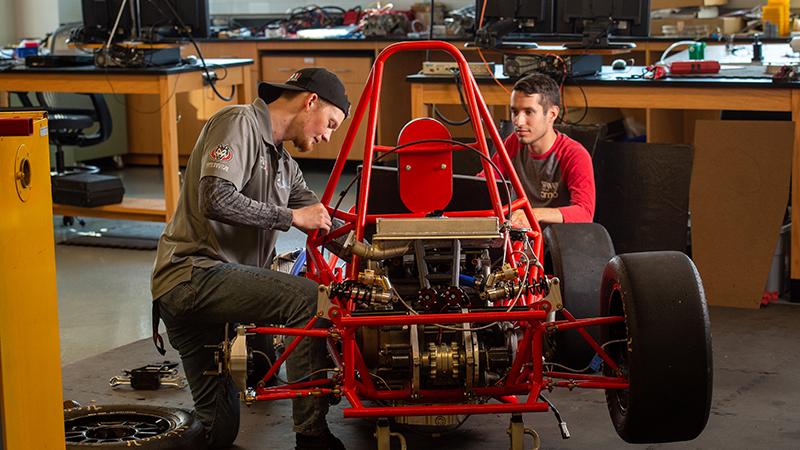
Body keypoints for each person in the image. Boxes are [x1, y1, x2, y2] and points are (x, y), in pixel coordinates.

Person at [150, 68, 350, 450]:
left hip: (219, 296)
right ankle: (312, 437)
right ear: (310, 102)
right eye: (330, 123)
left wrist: (384, 247)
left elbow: (322, 220)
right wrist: (291, 217)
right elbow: (216, 198)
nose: (327, 136)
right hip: (192, 276)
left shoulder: (284, 165)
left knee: (218, 433)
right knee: (310, 299)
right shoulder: (238, 121)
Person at [480, 73, 595, 226]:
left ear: (552, 114)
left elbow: (585, 212)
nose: (519, 121)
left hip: (557, 242)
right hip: (519, 239)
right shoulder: (513, 143)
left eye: (529, 112)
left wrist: (533, 214)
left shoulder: (575, 154)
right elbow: (484, 182)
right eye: (515, 112)